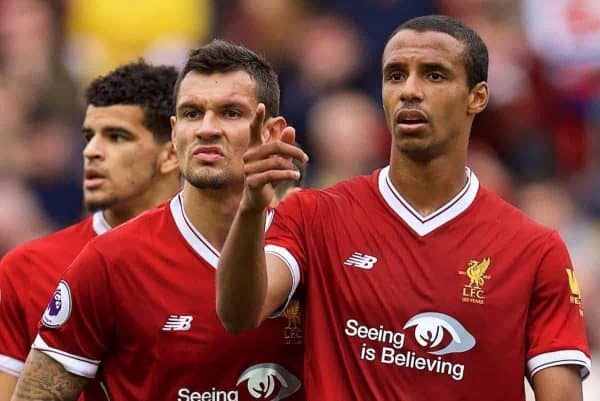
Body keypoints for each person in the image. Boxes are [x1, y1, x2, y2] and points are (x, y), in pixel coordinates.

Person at [216, 15, 591, 401]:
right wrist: (250, 211)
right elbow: (239, 313)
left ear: (477, 97)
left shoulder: (534, 250)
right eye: (395, 75)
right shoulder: (315, 215)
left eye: (434, 75)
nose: (410, 90)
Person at [10, 40, 304, 401]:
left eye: (230, 113)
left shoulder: (309, 242)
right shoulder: (111, 260)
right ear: (175, 134)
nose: (207, 129)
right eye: (193, 114)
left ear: (271, 132)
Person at [0, 60, 181, 400]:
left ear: (170, 155)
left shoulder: (231, 266)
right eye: (89, 136)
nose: (91, 151)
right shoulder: (24, 270)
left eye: (116, 136)